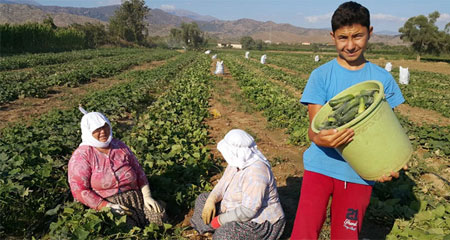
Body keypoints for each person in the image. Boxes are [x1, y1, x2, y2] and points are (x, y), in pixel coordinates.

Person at [290, 2, 407, 239]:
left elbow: (386, 131)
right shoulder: (321, 76)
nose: (350, 44)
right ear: (333, 37)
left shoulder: (382, 79)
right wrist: (322, 138)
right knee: (304, 232)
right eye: (343, 37)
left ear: (370, 33)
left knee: (346, 235)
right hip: (319, 168)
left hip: (359, 174)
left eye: (358, 36)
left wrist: (388, 163)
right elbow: (313, 132)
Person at [68, 106, 167, 228]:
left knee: (159, 219)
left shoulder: (119, 145)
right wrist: (106, 206)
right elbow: (79, 190)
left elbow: (138, 170)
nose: (103, 131)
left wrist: (147, 196)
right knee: (126, 229)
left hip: (136, 198)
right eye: (97, 129)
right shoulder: (82, 155)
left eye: (105, 126)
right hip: (108, 204)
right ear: (88, 131)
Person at [190, 129, 285, 240]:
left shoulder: (256, 173)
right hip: (232, 208)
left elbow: (248, 211)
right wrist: (211, 200)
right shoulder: (236, 162)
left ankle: (215, 231)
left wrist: (219, 220)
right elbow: (222, 185)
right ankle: (205, 232)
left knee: (225, 234)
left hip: (258, 222)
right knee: (203, 199)